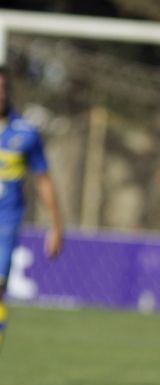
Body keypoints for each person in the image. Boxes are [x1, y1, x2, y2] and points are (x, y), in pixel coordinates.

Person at [0, 67, 62, 349]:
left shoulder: (25, 133)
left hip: (5, 222)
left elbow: (43, 180)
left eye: (3, 88)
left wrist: (56, 226)